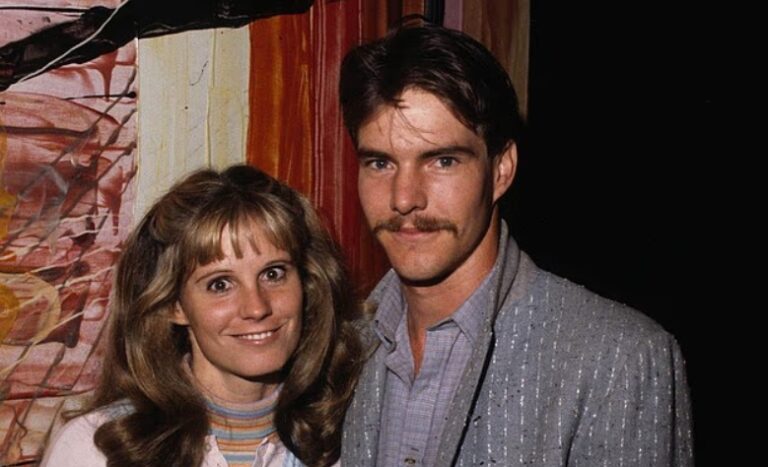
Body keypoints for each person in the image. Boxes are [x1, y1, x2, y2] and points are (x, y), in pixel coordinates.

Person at [339, 24, 694, 466]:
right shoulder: (336, 346)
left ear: (502, 169)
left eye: (443, 161)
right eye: (380, 163)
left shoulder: (618, 358)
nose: (404, 198)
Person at [40, 165, 362, 467]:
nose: (256, 308)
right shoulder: (97, 448)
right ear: (174, 305)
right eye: (220, 284)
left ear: (307, 283)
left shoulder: (355, 434)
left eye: (273, 274)